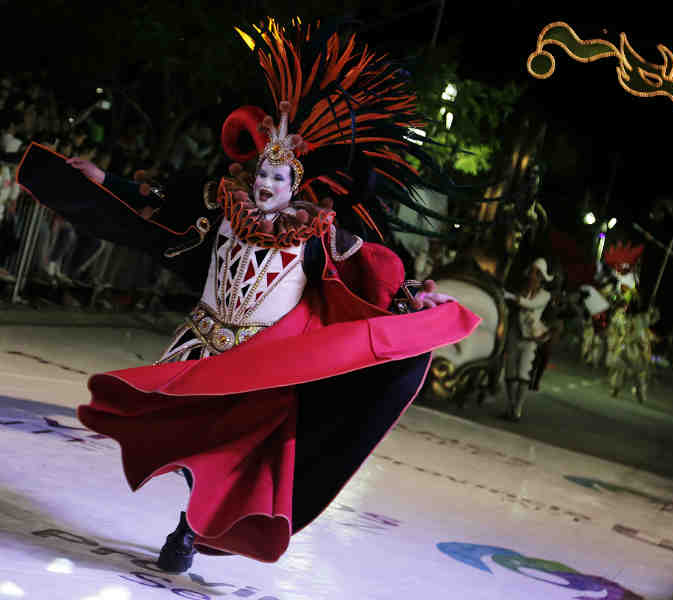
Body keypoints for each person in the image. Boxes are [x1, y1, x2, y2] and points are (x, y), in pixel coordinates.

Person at [27, 20, 479, 574]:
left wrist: (415, 305)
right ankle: (192, 518)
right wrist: (106, 180)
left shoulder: (318, 235)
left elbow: (374, 279)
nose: (266, 184)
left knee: (230, 458)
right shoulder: (221, 203)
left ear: (295, 188)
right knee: (187, 439)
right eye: (263, 171)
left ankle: (189, 530)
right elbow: (159, 200)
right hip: (200, 346)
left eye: (279, 179)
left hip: (262, 367)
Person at [503, 257, 553, 420]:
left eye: (537, 274)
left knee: (524, 373)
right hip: (514, 333)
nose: (533, 276)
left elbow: (529, 305)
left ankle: (518, 408)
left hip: (531, 337)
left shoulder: (545, 295)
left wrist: (511, 296)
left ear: (542, 278)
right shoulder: (522, 288)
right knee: (510, 371)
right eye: (532, 272)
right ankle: (511, 405)